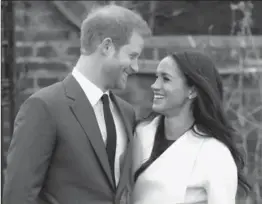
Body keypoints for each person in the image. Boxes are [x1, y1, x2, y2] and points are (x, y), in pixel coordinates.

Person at [3, 4, 151, 204]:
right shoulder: (44, 107)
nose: (135, 67)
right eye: (132, 56)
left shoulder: (126, 112)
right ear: (107, 47)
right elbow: (18, 196)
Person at [132, 51, 251, 204]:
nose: (154, 85)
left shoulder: (214, 153)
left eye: (166, 79)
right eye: (157, 77)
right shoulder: (140, 134)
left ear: (192, 91)